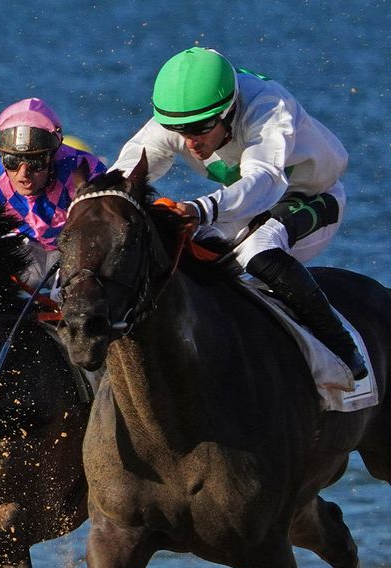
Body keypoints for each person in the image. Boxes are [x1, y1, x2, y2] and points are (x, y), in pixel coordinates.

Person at [112, 47, 365, 379]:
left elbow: (265, 181)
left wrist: (203, 209)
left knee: (257, 251)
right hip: (246, 204)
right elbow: (125, 170)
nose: (190, 141)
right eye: (180, 130)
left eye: (201, 128)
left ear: (228, 111)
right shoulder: (186, 120)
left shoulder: (268, 107)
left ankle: (342, 346)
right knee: (182, 253)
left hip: (309, 195)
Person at [0, 98, 105, 301]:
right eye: (12, 161)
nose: (23, 174)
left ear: (52, 156)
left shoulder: (85, 170)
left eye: (35, 163)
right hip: (21, 251)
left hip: (72, 255)